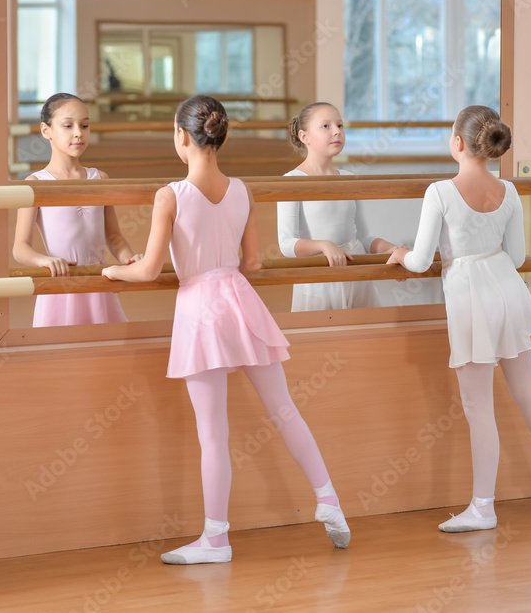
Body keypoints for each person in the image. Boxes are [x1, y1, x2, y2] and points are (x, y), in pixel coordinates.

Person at [102, 95, 350, 564]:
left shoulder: (170, 194)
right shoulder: (242, 189)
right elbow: (252, 261)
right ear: (224, 136)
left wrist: (115, 272)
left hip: (199, 309)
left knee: (212, 432)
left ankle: (216, 539)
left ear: (180, 136)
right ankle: (329, 499)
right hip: (241, 300)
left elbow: (149, 270)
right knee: (285, 410)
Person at [386, 105, 531, 532]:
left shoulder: (440, 191)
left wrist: (398, 252)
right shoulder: (509, 191)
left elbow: (419, 262)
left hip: (470, 299)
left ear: (457, 142)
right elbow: (516, 257)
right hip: (507, 291)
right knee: (529, 390)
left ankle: (483, 507)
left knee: (479, 407)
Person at [12, 93, 141, 327]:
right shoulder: (36, 183)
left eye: (85, 125)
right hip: (62, 283)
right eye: (68, 125)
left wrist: (129, 259)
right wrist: (45, 261)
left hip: (97, 282)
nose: (78, 133)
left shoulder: (100, 178)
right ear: (46, 130)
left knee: (104, 352)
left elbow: (114, 237)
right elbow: (20, 248)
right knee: (62, 354)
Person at [278, 102, 404, 311]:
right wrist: (324, 246)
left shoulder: (350, 179)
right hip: (318, 278)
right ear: (304, 136)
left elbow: (363, 238)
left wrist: (392, 249)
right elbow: (286, 244)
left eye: (340, 125)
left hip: (355, 273)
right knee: (323, 340)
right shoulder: (291, 181)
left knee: (364, 339)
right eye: (326, 126)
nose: (337, 131)